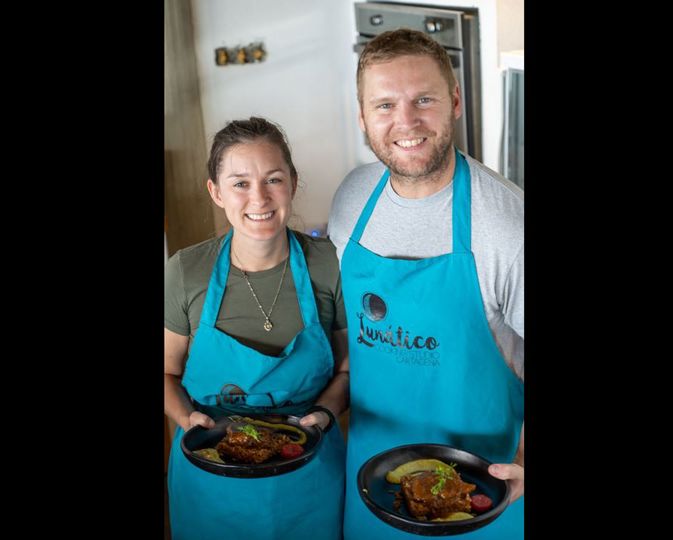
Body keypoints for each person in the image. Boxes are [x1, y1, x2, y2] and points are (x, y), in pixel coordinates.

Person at [327, 29, 524, 539]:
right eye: (385, 104)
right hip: (373, 488)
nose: (406, 122)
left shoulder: (507, 224)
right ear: (363, 116)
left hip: (481, 496)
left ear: (455, 101)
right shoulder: (350, 201)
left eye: (424, 100)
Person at [165, 117, 349, 540]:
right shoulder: (186, 270)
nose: (260, 197)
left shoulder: (328, 263)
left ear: (293, 183)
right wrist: (186, 418)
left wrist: (323, 414)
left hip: (309, 470)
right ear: (215, 192)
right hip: (210, 472)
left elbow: (346, 371)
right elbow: (166, 373)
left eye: (273, 179)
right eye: (240, 183)